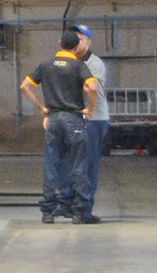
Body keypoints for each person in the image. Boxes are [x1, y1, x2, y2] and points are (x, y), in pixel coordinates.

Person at [19, 28, 101, 223]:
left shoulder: (45, 66)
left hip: (53, 120)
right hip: (73, 119)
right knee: (79, 166)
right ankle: (80, 212)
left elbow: (24, 86)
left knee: (51, 165)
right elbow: (93, 88)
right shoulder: (79, 66)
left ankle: (48, 212)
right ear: (75, 47)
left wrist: (41, 107)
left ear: (59, 43)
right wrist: (90, 109)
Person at [74, 24, 110, 209]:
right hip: (75, 118)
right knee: (72, 165)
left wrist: (66, 79)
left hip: (94, 119)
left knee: (88, 165)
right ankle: (72, 204)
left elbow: (91, 89)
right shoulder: (71, 62)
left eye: (80, 39)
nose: (76, 42)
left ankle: (84, 207)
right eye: (73, 38)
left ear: (88, 42)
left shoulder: (94, 64)